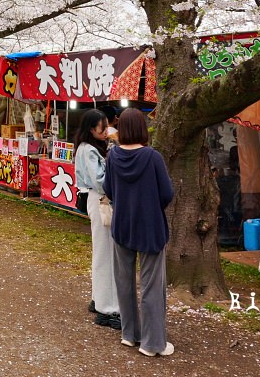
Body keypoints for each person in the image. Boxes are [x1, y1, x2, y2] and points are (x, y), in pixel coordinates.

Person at [104, 108, 175, 357]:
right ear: (143, 128)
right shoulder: (152, 157)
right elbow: (167, 194)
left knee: (124, 281)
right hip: (149, 227)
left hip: (122, 224)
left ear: (121, 129)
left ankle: (129, 334)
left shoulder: (113, 156)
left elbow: (108, 190)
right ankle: (152, 343)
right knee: (151, 285)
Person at [74, 109, 120, 328]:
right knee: (106, 254)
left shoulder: (89, 148)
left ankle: (98, 299)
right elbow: (100, 182)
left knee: (102, 252)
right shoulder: (89, 150)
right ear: (92, 129)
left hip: (97, 200)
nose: (106, 130)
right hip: (100, 200)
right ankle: (107, 309)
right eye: (103, 126)